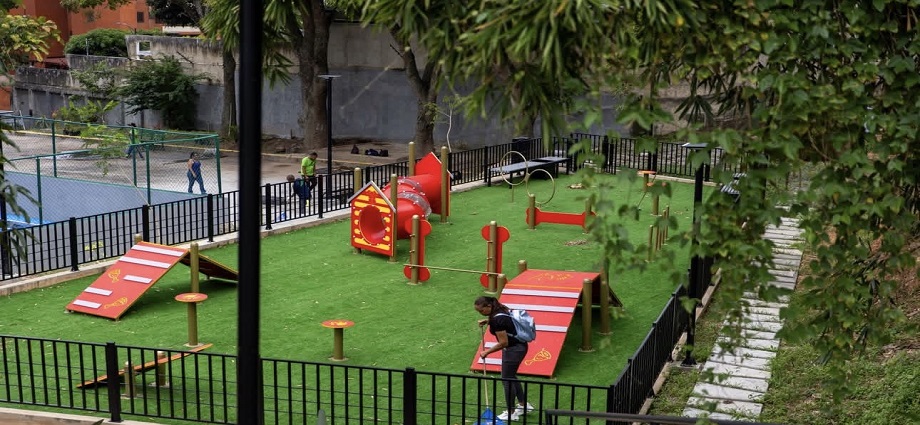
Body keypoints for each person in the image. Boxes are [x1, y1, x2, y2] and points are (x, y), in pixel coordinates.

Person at [474, 296, 535, 421]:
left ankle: (511, 412)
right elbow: (506, 322)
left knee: (506, 379)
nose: (480, 313)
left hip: (513, 350)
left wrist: (487, 352)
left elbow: (503, 343)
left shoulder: (498, 320)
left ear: (488, 306)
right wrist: (487, 321)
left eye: (481, 311)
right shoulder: (500, 310)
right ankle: (524, 405)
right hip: (519, 347)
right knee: (511, 376)